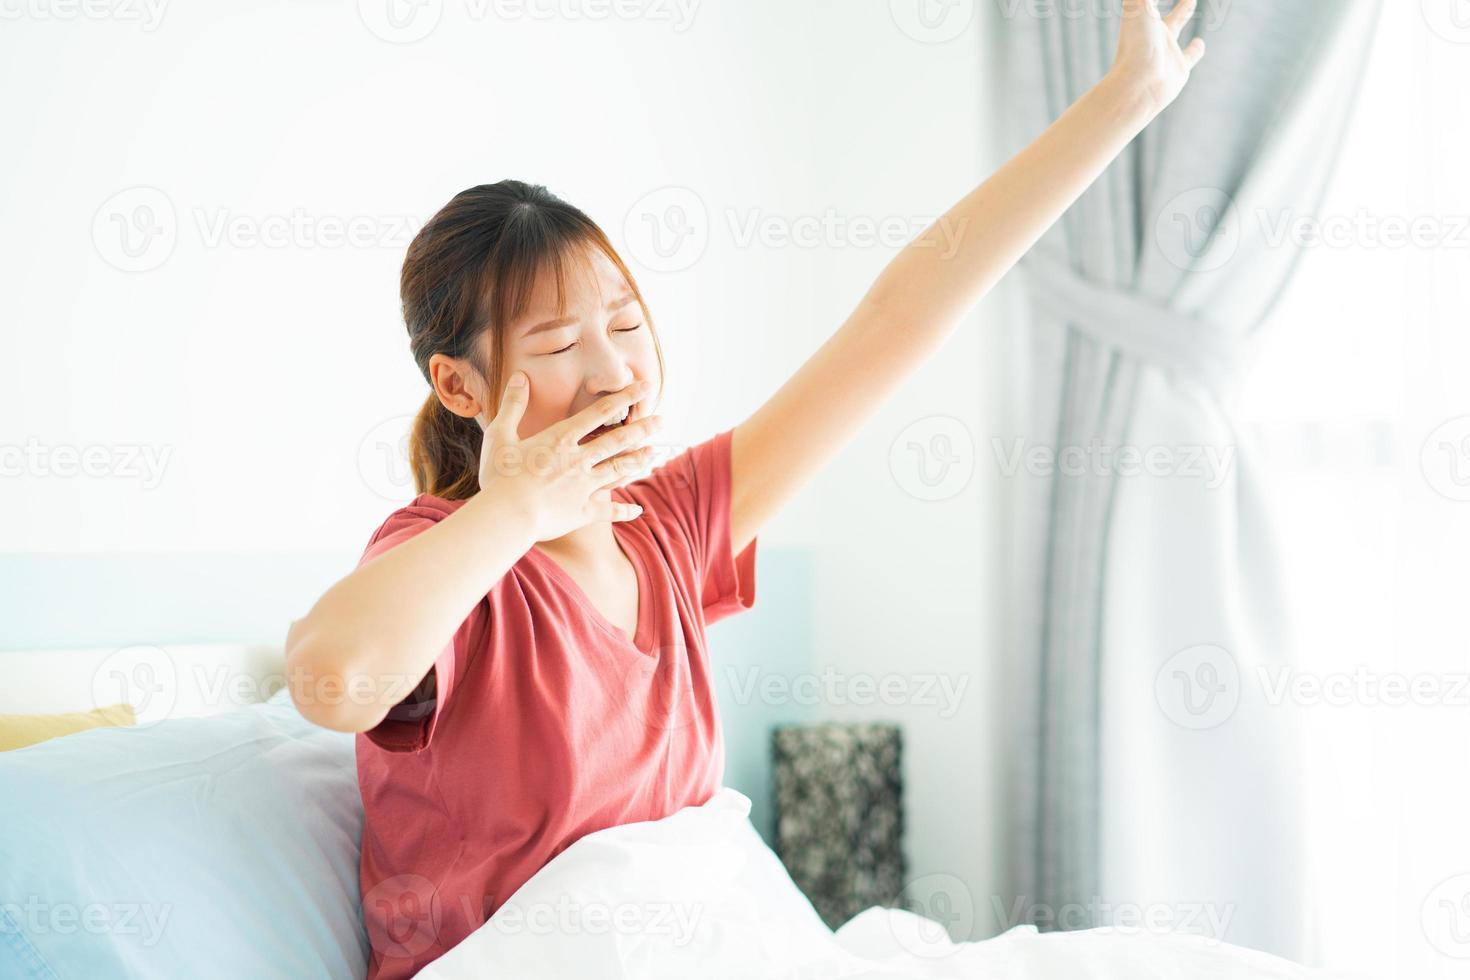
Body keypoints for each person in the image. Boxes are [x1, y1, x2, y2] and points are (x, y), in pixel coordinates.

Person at [284, 3, 1206, 976]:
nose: (616, 372)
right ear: (460, 386)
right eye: (558, 344)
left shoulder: (672, 524)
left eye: (628, 324)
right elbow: (333, 680)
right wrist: (516, 508)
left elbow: (897, 317)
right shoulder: (441, 554)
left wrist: (1122, 102)